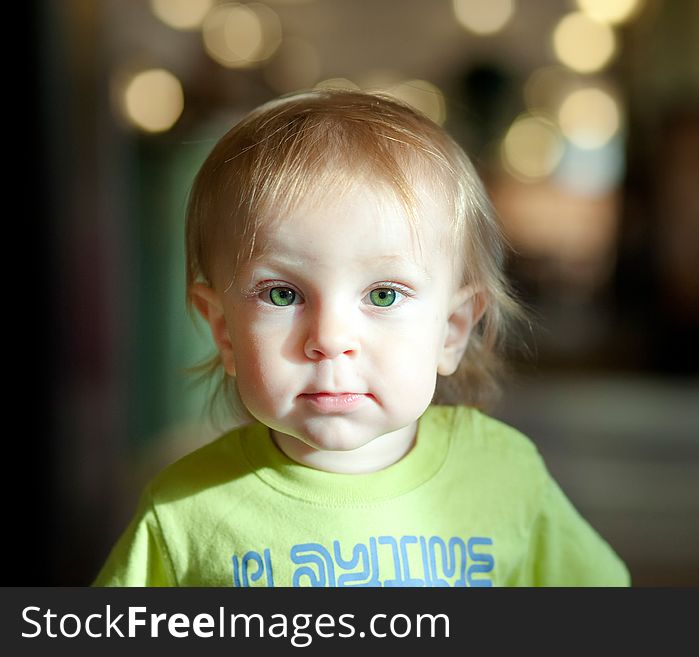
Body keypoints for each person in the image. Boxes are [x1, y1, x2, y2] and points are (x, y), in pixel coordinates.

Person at [94, 89, 629, 587]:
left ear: (452, 330)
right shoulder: (185, 511)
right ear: (223, 332)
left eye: (383, 295)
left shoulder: (505, 474)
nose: (330, 339)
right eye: (282, 295)